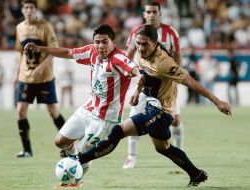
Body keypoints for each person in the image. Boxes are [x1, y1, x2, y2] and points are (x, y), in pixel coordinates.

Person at [77, 25, 231, 187]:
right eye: (138, 43)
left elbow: (191, 82)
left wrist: (217, 101)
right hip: (152, 108)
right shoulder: (142, 53)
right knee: (163, 148)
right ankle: (196, 174)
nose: (140, 48)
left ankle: (78, 160)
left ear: (155, 43)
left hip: (162, 113)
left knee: (118, 131)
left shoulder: (165, 63)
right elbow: (145, 75)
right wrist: (137, 93)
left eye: (145, 44)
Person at [25, 24, 140, 187]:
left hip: (105, 119)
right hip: (88, 109)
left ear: (113, 42)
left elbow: (135, 69)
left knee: (85, 154)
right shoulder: (92, 51)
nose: (100, 46)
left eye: (105, 41)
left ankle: (74, 182)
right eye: (97, 42)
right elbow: (67, 52)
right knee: (60, 141)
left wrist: (140, 79)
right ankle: (74, 159)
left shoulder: (118, 58)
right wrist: (39, 49)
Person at [123, 1, 185, 169]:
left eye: (154, 12)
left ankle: (179, 151)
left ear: (160, 13)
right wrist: (128, 76)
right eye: (148, 12)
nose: (151, 15)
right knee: (134, 117)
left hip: (167, 85)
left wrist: (177, 78)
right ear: (144, 14)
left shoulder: (171, 32)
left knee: (176, 121)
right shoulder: (137, 31)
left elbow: (178, 55)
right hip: (145, 83)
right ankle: (131, 157)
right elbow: (128, 54)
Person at [14, 0, 65, 158]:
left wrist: (40, 68)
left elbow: (54, 51)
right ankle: (27, 150)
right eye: (26, 7)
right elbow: (21, 53)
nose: (28, 10)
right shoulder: (19, 28)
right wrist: (17, 76)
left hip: (44, 77)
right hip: (25, 77)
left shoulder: (45, 26)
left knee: (52, 111)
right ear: (22, 10)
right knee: (20, 111)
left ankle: (70, 143)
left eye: (31, 8)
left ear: (35, 10)